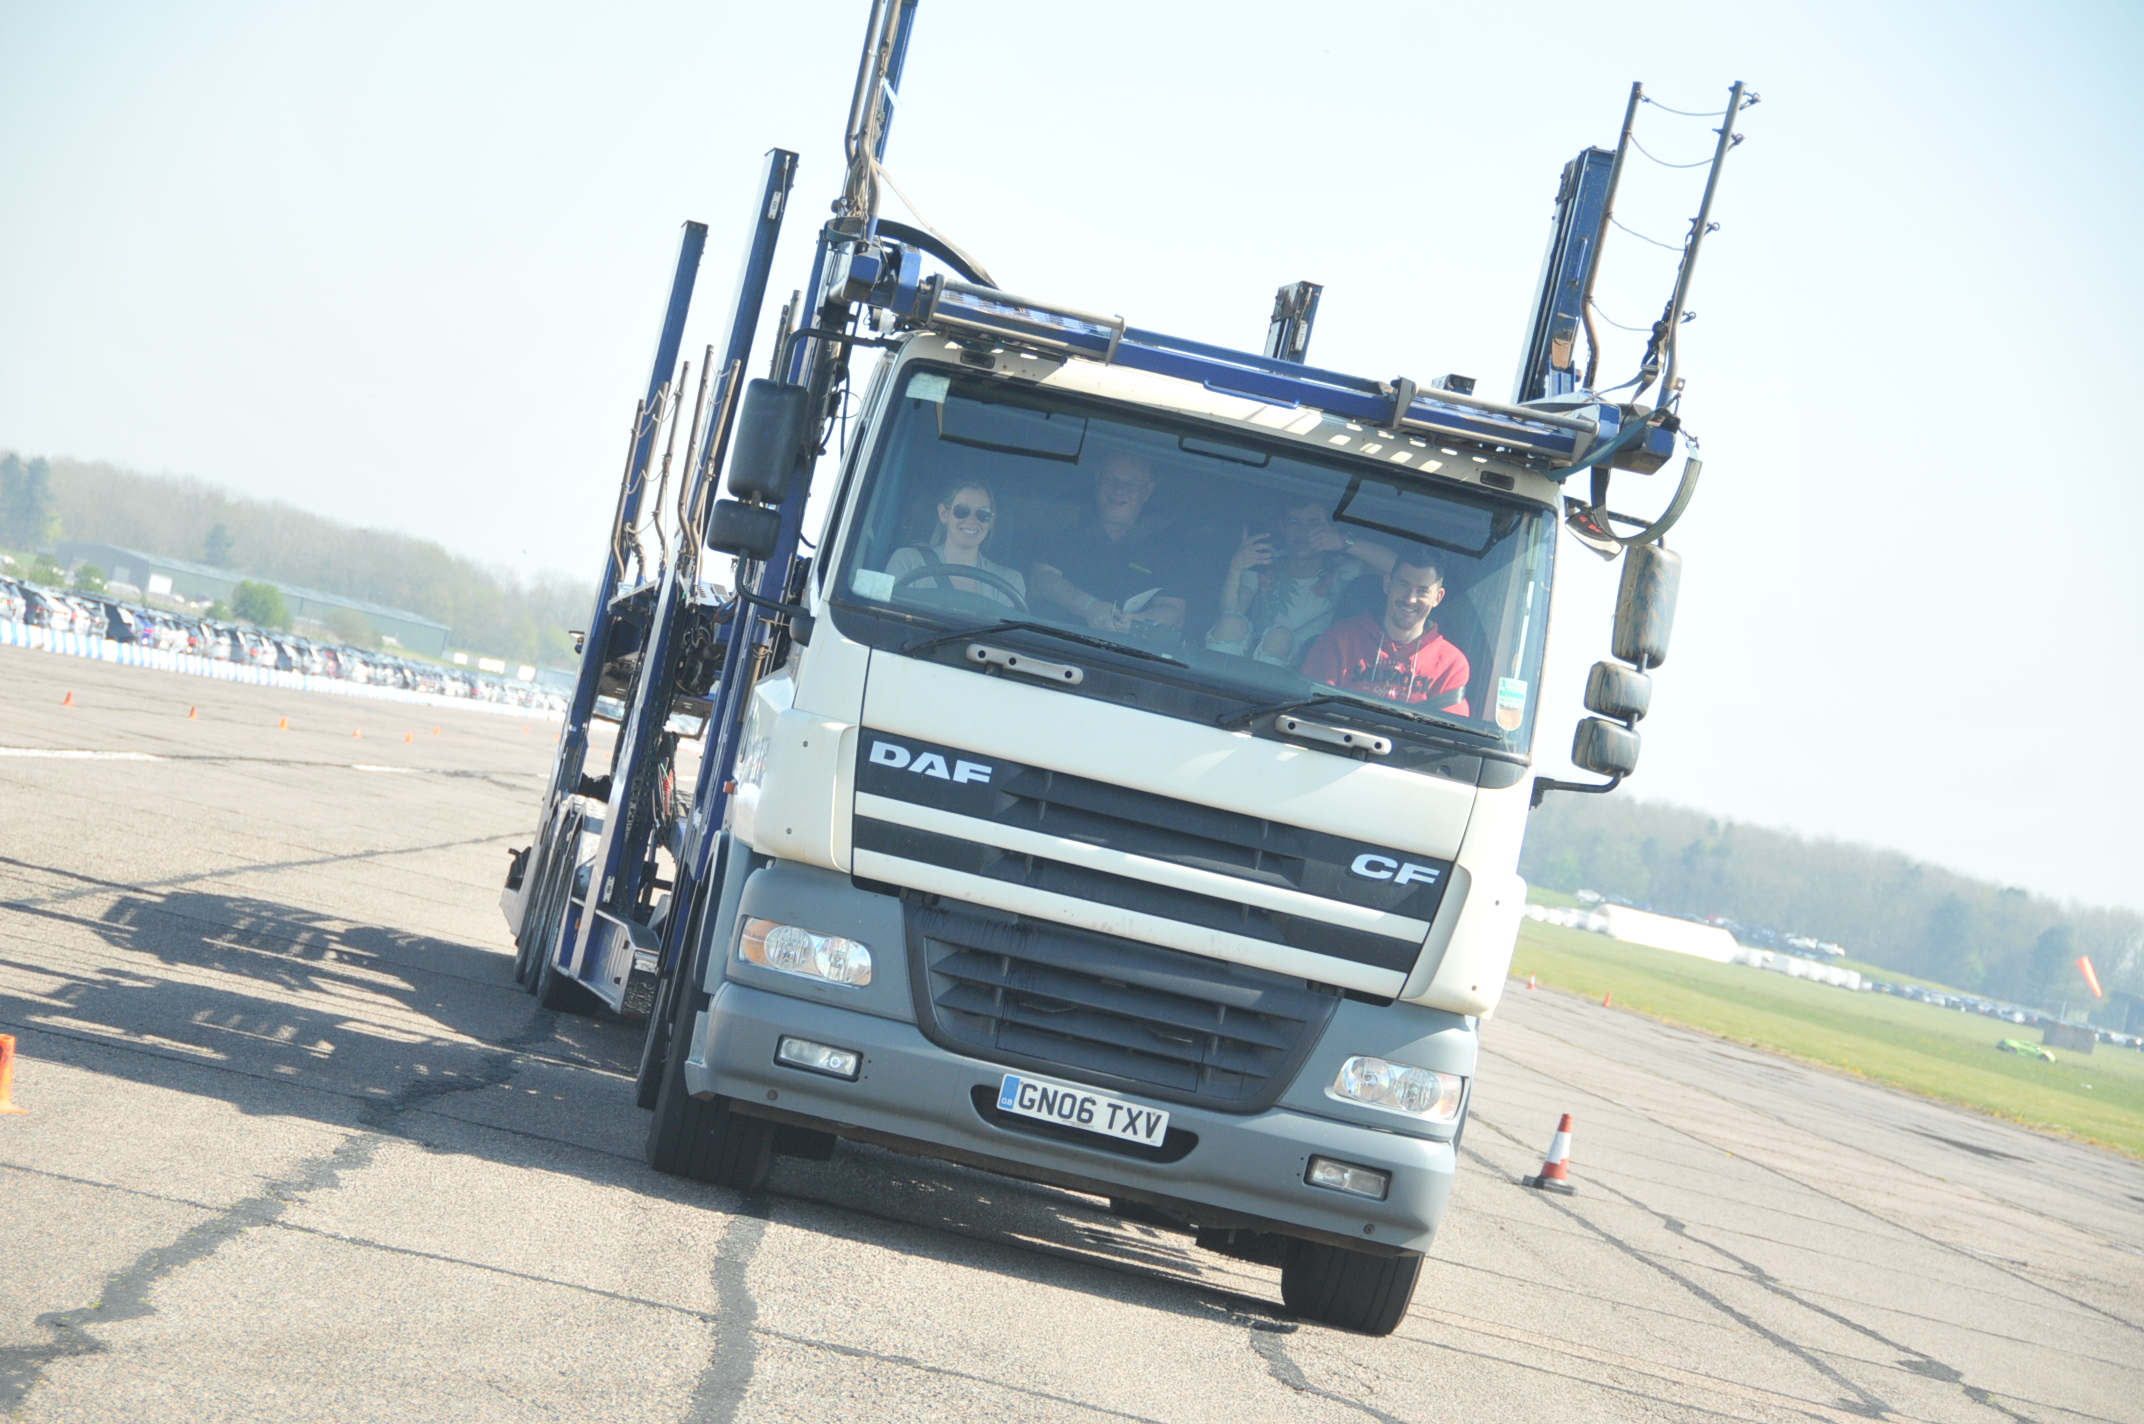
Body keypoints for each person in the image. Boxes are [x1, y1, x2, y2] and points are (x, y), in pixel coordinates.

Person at [1207, 498, 1395, 667]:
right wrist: (1235, 568)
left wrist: (1343, 542)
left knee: (1280, 639)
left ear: (1329, 529)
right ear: (1282, 528)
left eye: (1313, 524)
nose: (1303, 532)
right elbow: (1230, 616)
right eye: (1294, 523)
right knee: (1237, 625)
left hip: (1305, 671)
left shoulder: (1340, 571)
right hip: (1246, 658)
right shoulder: (1264, 561)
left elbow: (1400, 570)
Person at [1028, 451, 1185, 632]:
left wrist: (1135, 621)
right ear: (1098, 479)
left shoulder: (1164, 537)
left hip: (1126, 647)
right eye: (1111, 479)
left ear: (1147, 491)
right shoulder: (1069, 513)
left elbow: (1175, 613)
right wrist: (1089, 607)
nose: (1119, 490)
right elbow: (1041, 579)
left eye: (1131, 484)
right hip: (1048, 635)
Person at [1299, 552, 1471, 714]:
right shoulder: (1339, 638)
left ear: (1437, 598)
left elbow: (1447, 732)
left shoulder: (1452, 665)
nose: (1410, 599)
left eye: (1422, 591)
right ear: (1387, 583)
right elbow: (1309, 709)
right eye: (1403, 585)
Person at [884, 479, 1026, 607]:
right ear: (944, 514)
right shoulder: (908, 562)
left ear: (991, 522)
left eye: (983, 514)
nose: (971, 520)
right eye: (962, 511)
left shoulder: (1009, 582)